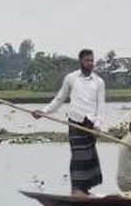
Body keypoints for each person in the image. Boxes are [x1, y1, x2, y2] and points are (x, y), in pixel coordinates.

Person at [34, 48, 105, 196]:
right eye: (87, 60)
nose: (90, 63)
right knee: (78, 158)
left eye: (92, 60)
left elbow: (101, 106)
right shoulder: (71, 78)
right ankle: (76, 190)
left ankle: (85, 190)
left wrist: (98, 126)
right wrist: (44, 111)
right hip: (75, 123)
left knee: (89, 159)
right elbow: (60, 98)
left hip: (90, 125)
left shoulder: (99, 82)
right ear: (80, 61)